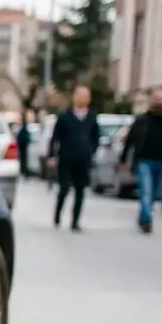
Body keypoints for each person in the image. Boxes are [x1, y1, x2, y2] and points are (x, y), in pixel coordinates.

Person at [120, 88, 162, 234]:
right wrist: (123, 159)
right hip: (144, 160)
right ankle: (146, 220)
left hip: (161, 161)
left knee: (154, 194)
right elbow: (130, 140)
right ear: (151, 100)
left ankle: (144, 216)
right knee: (146, 190)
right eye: (156, 98)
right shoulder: (142, 120)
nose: (159, 101)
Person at [47, 86, 101, 231]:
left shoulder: (92, 117)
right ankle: (58, 214)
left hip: (83, 159)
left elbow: (96, 136)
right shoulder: (65, 116)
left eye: (85, 96)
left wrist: (91, 150)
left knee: (80, 190)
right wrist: (52, 155)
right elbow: (55, 137)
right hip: (66, 158)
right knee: (64, 188)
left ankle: (75, 221)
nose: (82, 98)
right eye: (79, 95)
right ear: (74, 97)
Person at [16, 114, 33, 179]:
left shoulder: (22, 128)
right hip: (23, 147)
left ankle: (23, 170)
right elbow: (24, 138)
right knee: (24, 159)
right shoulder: (24, 128)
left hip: (22, 146)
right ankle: (24, 171)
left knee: (23, 159)